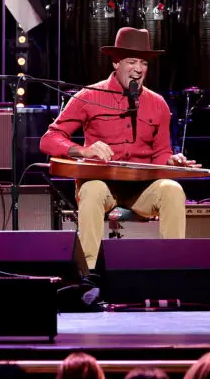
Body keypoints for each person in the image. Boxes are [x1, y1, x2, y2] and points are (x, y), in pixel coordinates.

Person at [39, 27, 196, 268]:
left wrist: (172, 161)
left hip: (141, 189)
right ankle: (87, 274)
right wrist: (82, 151)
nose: (138, 69)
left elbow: (161, 153)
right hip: (102, 186)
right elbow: (49, 139)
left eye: (143, 63)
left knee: (172, 190)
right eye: (131, 61)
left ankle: (173, 270)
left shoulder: (158, 104)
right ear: (115, 63)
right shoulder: (88, 97)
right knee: (91, 191)